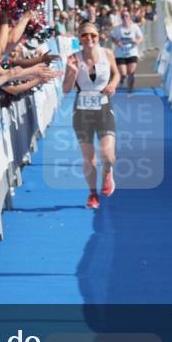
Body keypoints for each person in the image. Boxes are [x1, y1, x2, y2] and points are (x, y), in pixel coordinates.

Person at [62, 22, 120, 209]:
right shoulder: (73, 58)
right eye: (85, 35)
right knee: (89, 157)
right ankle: (93, 194)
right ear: (79, 38)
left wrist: (113, 85)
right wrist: (72, 72)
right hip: (82, 111)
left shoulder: (107, 54)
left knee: (108, 155)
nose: (89, 39)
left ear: (98, 36)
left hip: (103, 108)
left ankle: (108, 172)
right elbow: (66, 89)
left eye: (93, 35)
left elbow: (116, 74)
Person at [109, 10, 144, 94]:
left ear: (130, 17)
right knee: (123, 74)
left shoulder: (134, 27)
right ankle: (121, 79)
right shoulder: (118, 28)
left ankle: (130, 90)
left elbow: (141, 37)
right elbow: (112, 37)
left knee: (131, 73)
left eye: (126, 16)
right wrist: (117, 42)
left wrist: (136, 41)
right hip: (120, 54)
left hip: (132, 53)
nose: (125, 18)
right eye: (123, 16)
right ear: (121, 18)